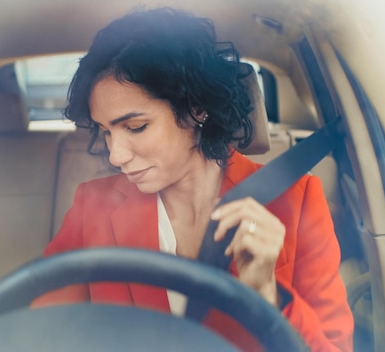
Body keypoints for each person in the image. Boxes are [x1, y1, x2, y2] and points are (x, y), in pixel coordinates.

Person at [32, 7, 353, 351]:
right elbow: (40, 331)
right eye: (106, 131)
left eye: (135, 127)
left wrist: (268, 296)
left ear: (197, 108)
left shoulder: (298, 201)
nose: (116, 155)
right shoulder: (91, 206)